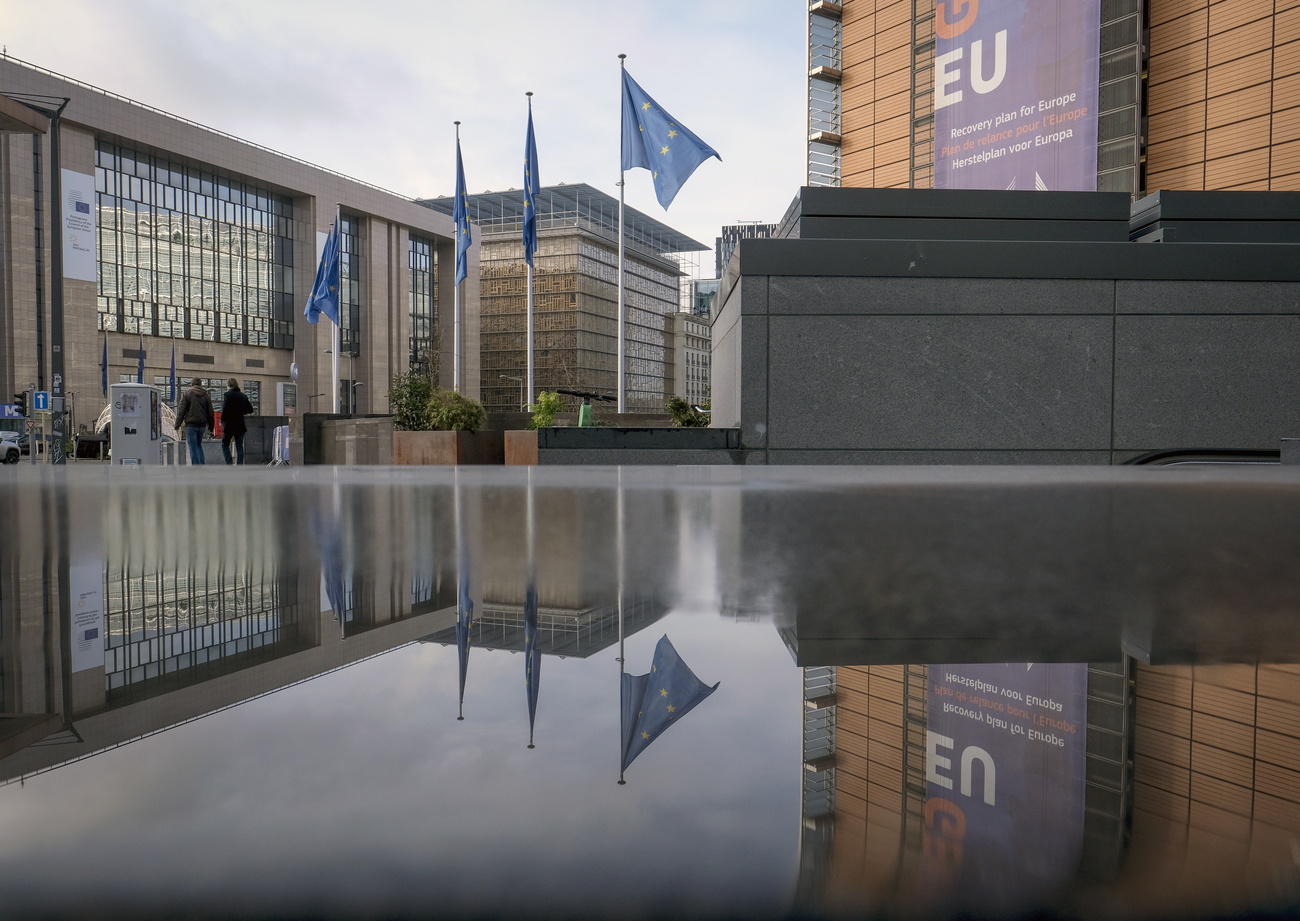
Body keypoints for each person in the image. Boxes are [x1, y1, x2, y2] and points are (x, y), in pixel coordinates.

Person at [175, 378, 215, 465]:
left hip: (191, 425)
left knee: (192, 447)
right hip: (202, 425)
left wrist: (177, 425)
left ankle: (195, 467)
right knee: (198, 445)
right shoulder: (206, 395)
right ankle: (202, 464)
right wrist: (211, 427)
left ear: (191, 384)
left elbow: (181, 411)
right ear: (200, 384)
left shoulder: (187, 394)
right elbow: (210, 413)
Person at [220, 378, 255, 465]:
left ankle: (229, 463)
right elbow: (250, 409)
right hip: (240, 424)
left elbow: (225, 410)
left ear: (229, 386)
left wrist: (222, 420)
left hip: (229, 424)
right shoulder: (243, 396)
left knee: (225, 444)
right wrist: (240, 411)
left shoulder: (227, 395)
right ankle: (239, 465)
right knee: (239, 446)